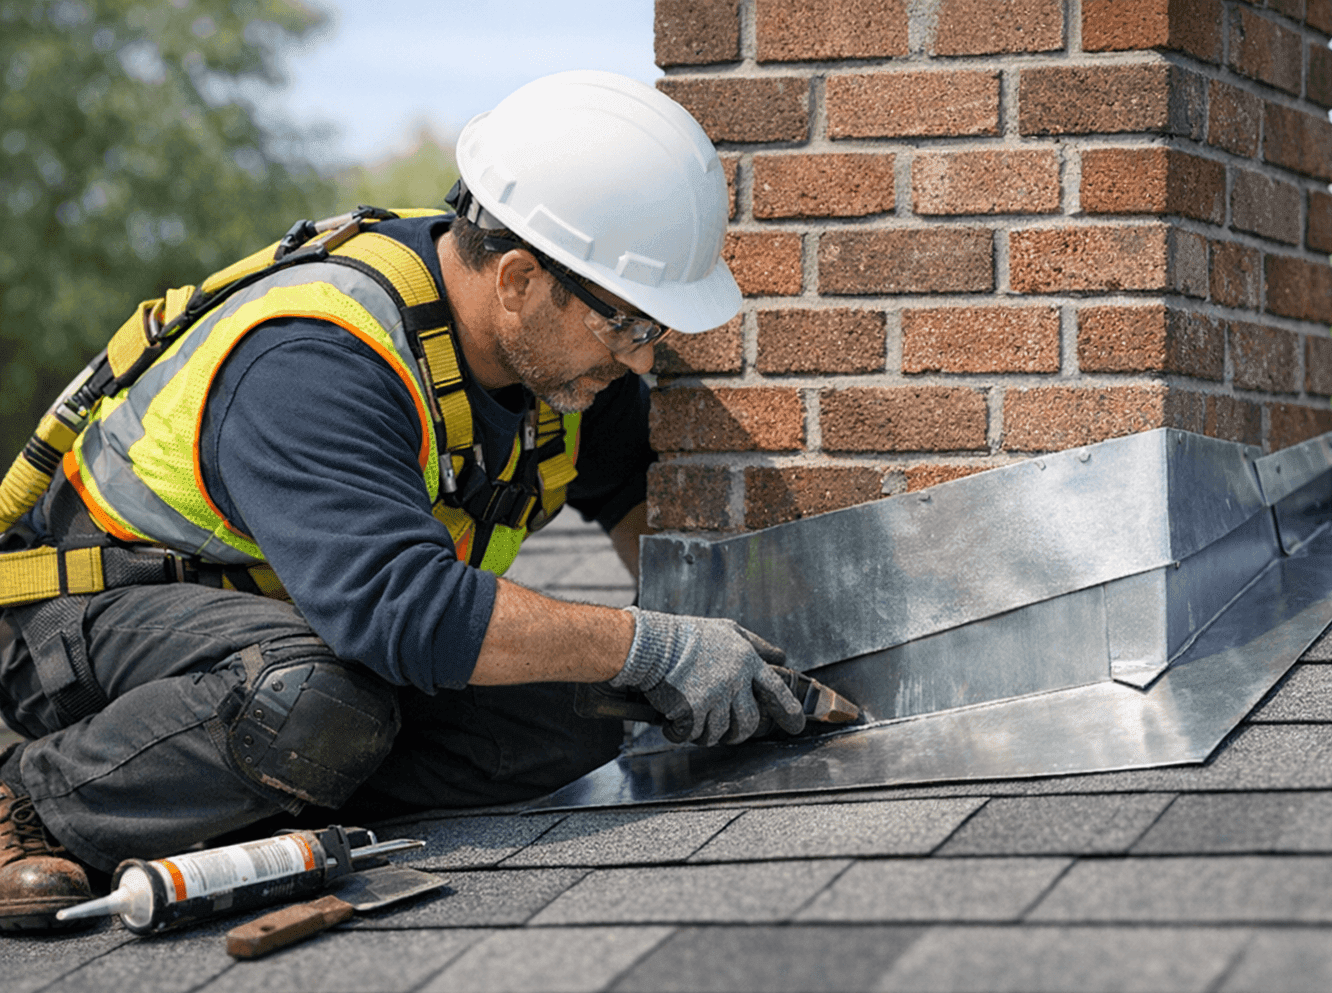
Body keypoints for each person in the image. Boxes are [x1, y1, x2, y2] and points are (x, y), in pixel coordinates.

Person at [0, 71, 806, 932]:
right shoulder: (316, 359)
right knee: (307, 702)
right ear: (519, 281)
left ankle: (256, 796)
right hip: (91, 624)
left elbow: (647, 526)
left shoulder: (565, 367)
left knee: (581, 717)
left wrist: (706, 642)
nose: (645, 362)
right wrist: (653, 646)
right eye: (630, 326)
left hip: (294, 641)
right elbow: (401, 611)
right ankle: (35, 808)